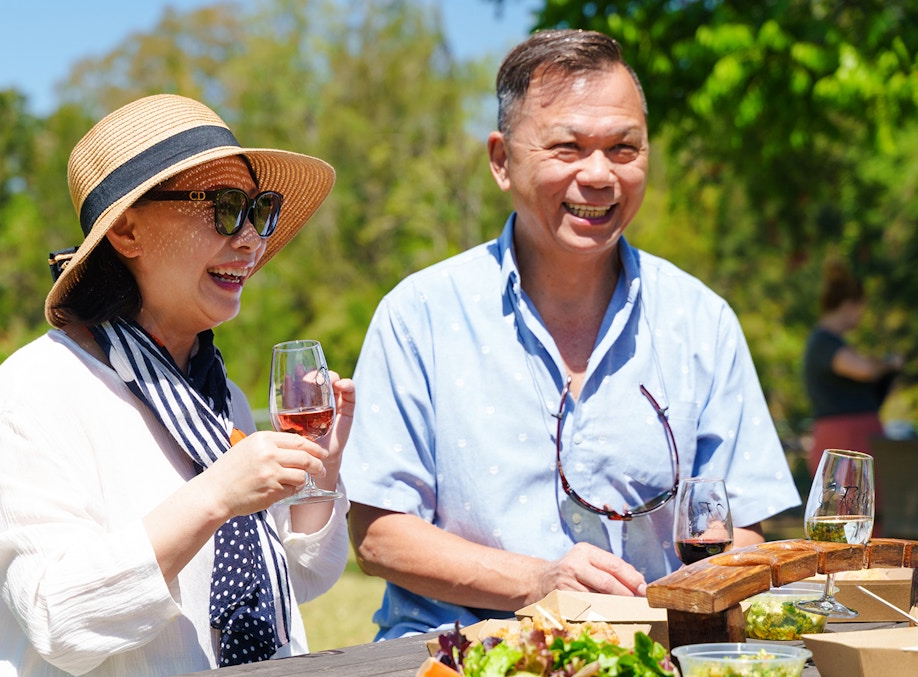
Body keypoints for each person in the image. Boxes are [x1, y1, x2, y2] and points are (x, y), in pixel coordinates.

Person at [340, 29, 801, 640]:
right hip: (454, 661)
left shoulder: (701, 320)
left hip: (649, 661)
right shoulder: (419, 314)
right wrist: (537, 583)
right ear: (501, 160)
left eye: (623, 148)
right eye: (568, 147)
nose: (600, 174)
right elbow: (378, 534)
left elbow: (741, 526)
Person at [0, 94, 354, 677]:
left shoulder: (222, 396)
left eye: (260, 210)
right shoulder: (37, 388)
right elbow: (59, 618)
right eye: (224, 208)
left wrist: (320, 471)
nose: (251, 240)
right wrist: (217, 494)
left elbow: (297, 582)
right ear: (126, 231)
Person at [803, 257, 902, 527]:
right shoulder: (824, 342)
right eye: (860, 307)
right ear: (848, 305)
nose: (861, 315)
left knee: (869, 517)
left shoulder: (832, 342)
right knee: (847, 519)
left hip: (856, 436)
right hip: (844, 439)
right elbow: (864, 369)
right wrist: (890, 363)